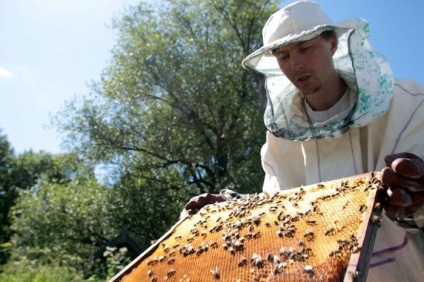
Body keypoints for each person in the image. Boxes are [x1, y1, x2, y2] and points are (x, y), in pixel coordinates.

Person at [180, 1, 424, 280]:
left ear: (332, 43)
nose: (296, 65)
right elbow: (278, 218)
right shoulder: (279, 141)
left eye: (305, 48)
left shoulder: (408, 104)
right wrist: (231, 211)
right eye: (283, 56)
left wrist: (417, 200)